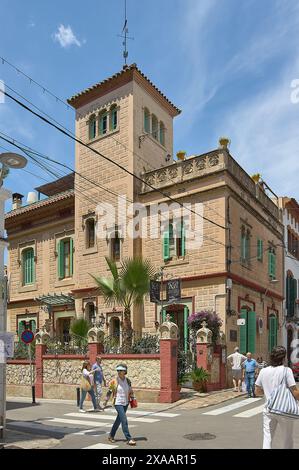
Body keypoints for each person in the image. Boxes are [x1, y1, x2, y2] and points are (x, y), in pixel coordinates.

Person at [255, 346, 299, 449]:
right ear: (283, 358)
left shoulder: (263, 371)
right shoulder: (286, 371)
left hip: (269, 409)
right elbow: (295, 392)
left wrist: (269, 392)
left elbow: (257, 392)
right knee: (287, 437)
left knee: (267, 437)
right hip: (284, 410)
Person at [107, 363, 136, 446]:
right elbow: (110, 391)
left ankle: (111, 436)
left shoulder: (128, 381)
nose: (119, 372)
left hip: (125, 402)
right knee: (124, 420)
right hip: (118, 402)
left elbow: (130, 390)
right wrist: (106, 400)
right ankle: (129, 438)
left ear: (125, 371)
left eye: (121, 370)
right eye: (118, 370)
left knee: (118, 420)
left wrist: (133, 397)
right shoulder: (114, 381)